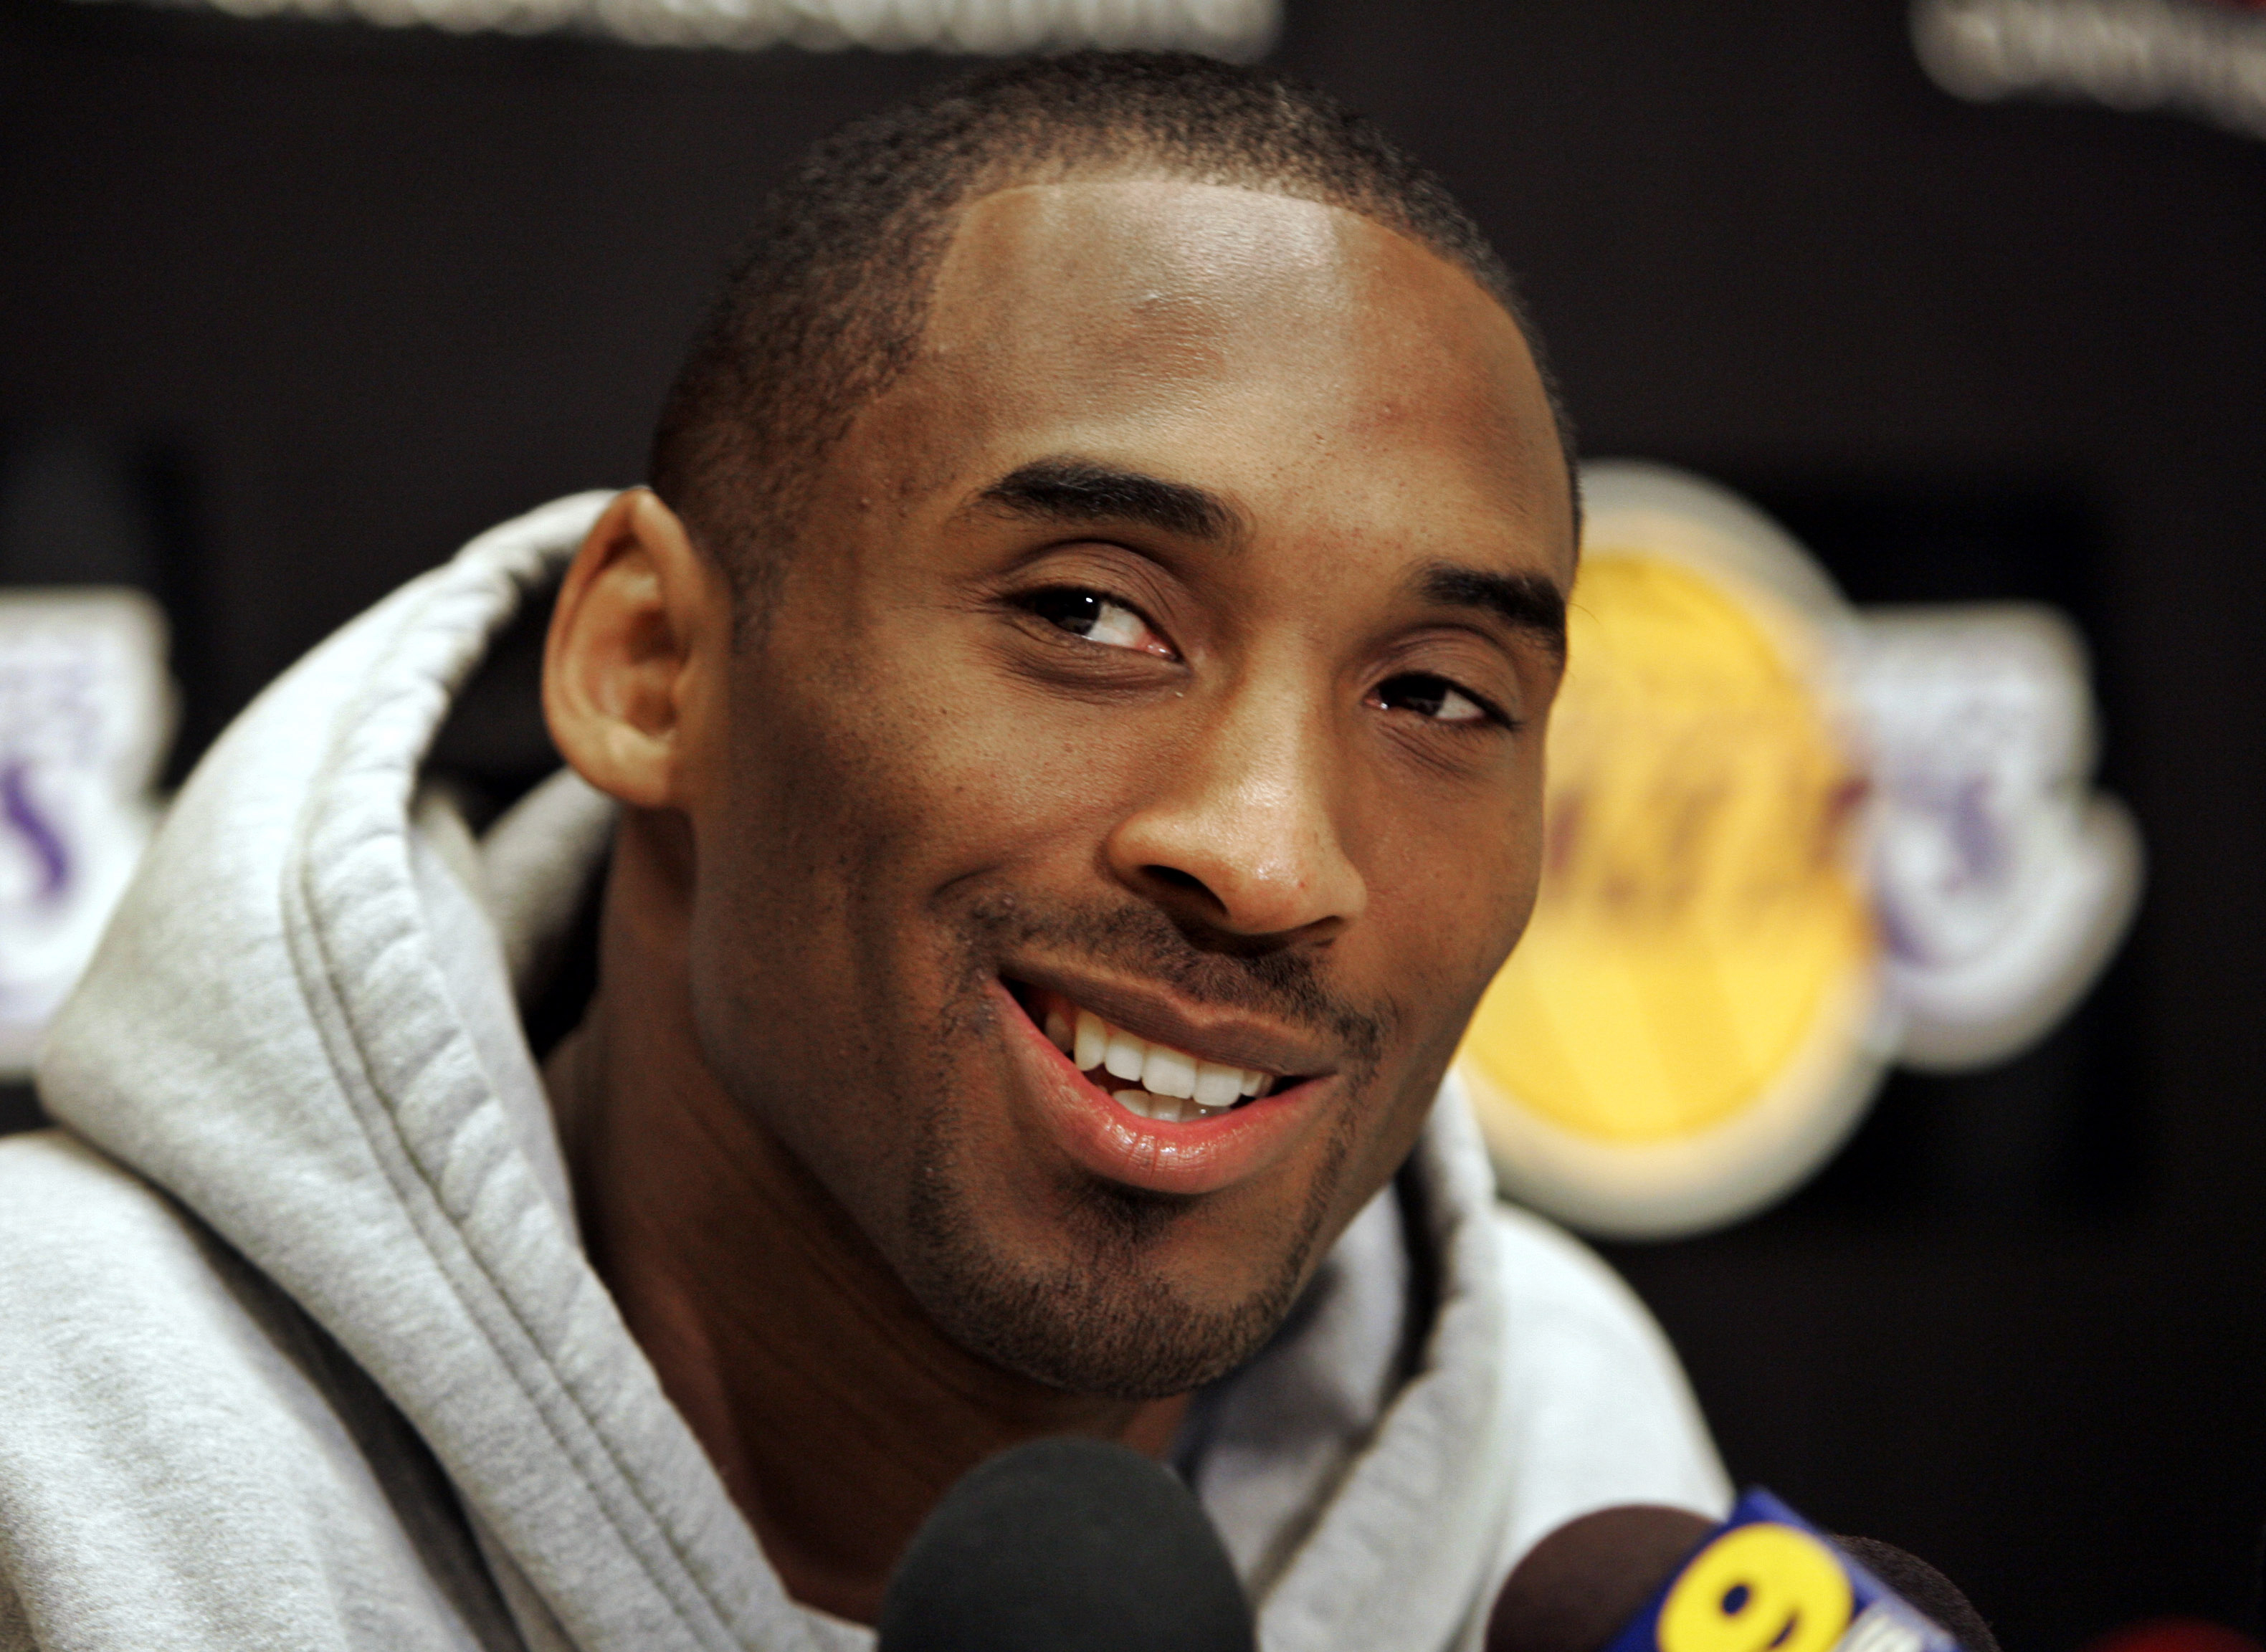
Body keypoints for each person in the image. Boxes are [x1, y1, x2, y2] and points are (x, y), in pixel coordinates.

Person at [0, 52, 1728, 1652]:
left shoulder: (1572, 1467)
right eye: (1091, 612)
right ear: (651, 665)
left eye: (1435, 694)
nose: (1274, 857)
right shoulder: (53, 1442)